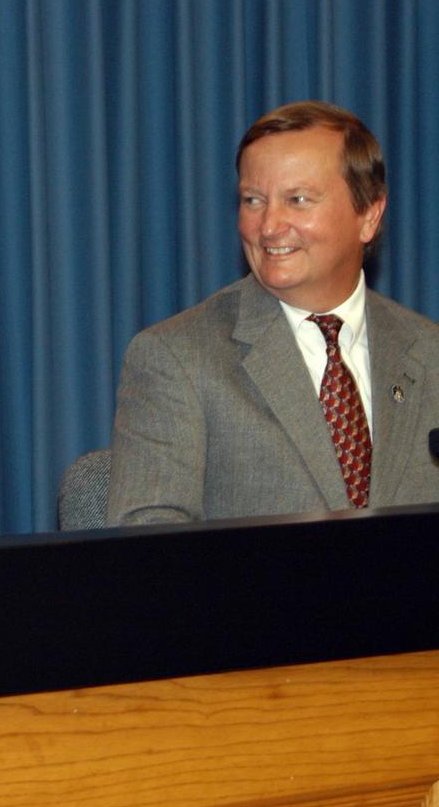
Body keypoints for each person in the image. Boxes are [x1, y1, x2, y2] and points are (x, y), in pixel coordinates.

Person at [107, 101, 439, 525]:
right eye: (253, 200)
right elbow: (149, 551)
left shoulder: (428, 354)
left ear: (368, 215)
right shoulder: (176, 358)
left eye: (297, 200)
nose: (268, 226)